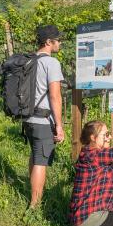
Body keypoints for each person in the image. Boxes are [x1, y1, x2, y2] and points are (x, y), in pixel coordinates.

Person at [23, 24, 65, 209]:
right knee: (42, 160)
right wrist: (59, 125)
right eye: (58, 39)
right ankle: (35, 204)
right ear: (49, 42)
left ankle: (32, 191)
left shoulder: (28, 61)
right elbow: (55, 96)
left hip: (28, 119)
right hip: (43, 121)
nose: (60, 42)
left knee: (34, 154)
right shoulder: (52, 63)